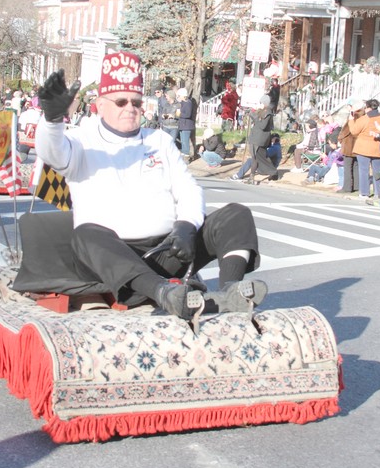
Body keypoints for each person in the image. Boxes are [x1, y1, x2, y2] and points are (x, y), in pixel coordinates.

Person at [34, 51, 267, 319]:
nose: (130, 108)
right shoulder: (80, 140)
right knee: (87, 233)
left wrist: (186, 226)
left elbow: (188, 188)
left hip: (168, 249)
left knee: (236, 215)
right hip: (115, 260)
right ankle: (163, 294)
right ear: (99, 103)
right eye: (121, 101)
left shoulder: (159, 140)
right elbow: (52, 153)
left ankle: (231, 292)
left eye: (136, 101)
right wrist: (52, 121)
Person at [349, 99, 380, 200]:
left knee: (364, 171)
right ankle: (378, 192)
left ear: (368, 108)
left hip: (363, 147)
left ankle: (364, 193)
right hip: (377, 147)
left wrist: (351, 120)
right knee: (377, 171)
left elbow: (354, 131)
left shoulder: (364, 119)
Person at [177, 87, 197, 159]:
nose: (178, 97)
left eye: (179, 95)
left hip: (186, 125)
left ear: (183, 95)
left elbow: (188, 114)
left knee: (185, 142)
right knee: (183, 141)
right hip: (182, 125)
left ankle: (186, 157)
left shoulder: (188, 103)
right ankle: (183, 155)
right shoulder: (182, 103)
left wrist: (179, 114)